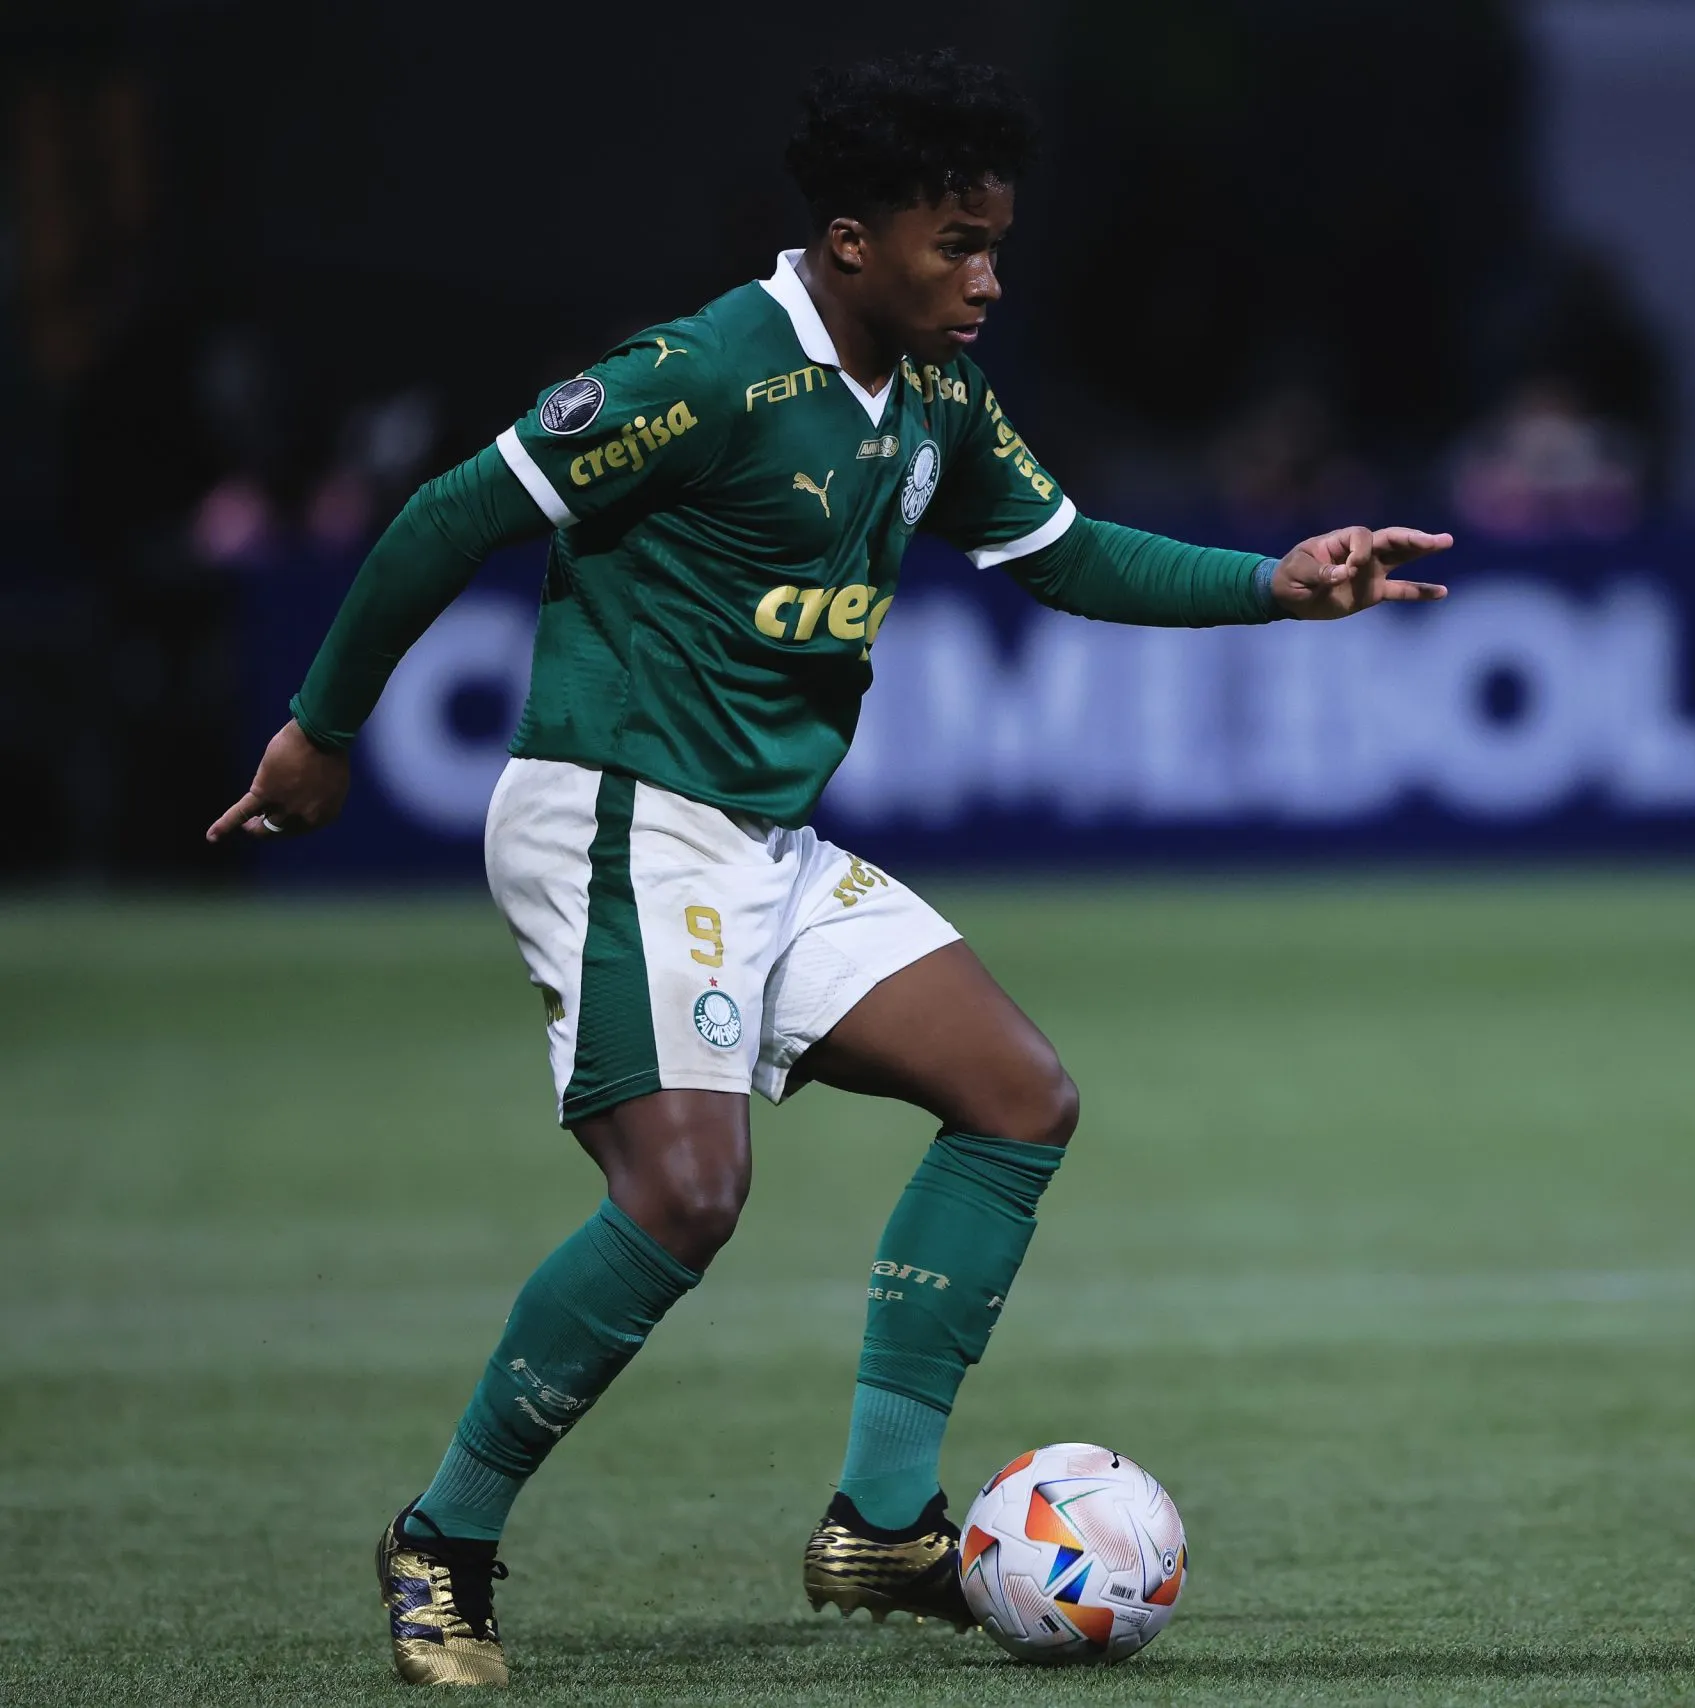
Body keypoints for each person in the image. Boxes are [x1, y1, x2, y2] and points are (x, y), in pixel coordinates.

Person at [205, 51, 1451, 1687]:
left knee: (1018, 1093)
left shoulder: (934, 395)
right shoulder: (707, 372)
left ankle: (881, 1524)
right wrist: (320, 731)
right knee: (688, 1195)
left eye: (1000, 243)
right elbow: (454, 510)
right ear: (854, 241)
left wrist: (1273, 585)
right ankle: (443, 1540)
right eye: (959, 244)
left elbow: (1066, 551)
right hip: (619, 814)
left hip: (762, 841)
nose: (989, 277)